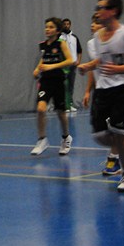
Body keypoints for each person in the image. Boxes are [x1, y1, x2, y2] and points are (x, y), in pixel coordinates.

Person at [78, 0, 124, 192]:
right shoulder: (98, 37)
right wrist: (88, 66)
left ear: (113, 11)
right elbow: (102, 60)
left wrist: (119, 70)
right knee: (100, 136)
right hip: (103, 90)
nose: (97, 11)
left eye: (101, 7)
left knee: (118, 133)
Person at [82, 15, 122, 175]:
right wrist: (88, 91)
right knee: (99, 133)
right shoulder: (91, 44)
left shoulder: (116, 40)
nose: (93, 25)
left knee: (116, 127)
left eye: (97, 23)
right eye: (92, 22)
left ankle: (114, 159)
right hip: (100, 90)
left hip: (117, 88)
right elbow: (94, 68)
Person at [31, 17, 74, 156]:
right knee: (40, 109)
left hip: (58, 81)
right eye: (46, 27)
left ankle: (66, 137)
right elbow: (44, 59)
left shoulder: (61, 43)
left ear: (57, 30)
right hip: (45, 81)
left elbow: (70, 60)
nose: (47, 29)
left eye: (50, 27)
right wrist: (37, 68)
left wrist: (52, 66)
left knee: (61, 113)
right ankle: (42, 140)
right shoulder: (43, 45)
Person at [62, 18, 83, 112]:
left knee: (71, 85)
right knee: (64, 85)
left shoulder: (74, 37)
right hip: (63, 66)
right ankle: (64, 105)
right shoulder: (60, 37)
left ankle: (70, 104)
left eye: (68, 24)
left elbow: (80, 50)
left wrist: (78, 61)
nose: (66, 25)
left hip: (73, 65)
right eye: (64, 24)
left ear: (70, 25)